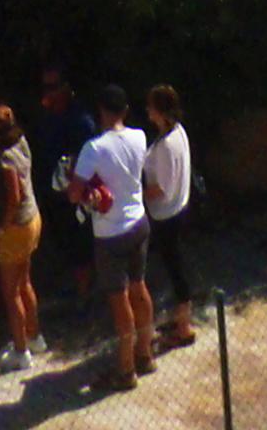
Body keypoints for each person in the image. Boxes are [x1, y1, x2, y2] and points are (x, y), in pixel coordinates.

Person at [70, 85, 154, 388]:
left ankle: (125, 369)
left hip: (110, 233)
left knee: (120, 303)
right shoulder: (140, 136)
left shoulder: (94, 148)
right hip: (139, 222)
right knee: (140, 287)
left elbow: (73, 193)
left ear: (101, 111)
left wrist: (86, 192)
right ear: (126, 110)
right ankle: (145, 353)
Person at [0, 100, 42, 370]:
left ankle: (21, 351)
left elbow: (13, 197)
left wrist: (2, 226)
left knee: (10, 292)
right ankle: (34, 335)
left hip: (16, 226)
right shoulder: (23, 142)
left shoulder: (6, 159)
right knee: (25, 280)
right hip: (33, 219)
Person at [33, 62, 95, 298]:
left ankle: (84, 294)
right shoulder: (46, 117)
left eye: (53, 86)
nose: (48, 92)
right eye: (45, 87)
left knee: (80, 244)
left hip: (75, 192)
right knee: (63, 242)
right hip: (51, 192)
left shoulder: (80, 120)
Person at [141, 84, 195, 349]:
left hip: (166, 215)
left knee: (176, 271)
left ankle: (184, 327)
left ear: (160, 112)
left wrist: (135, 192)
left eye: (151, 107)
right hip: (179, 208)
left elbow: (159, 188)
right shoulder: (179, 133)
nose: (147, 111)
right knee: (178, 266)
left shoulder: (164, 147)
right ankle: (181, 319)